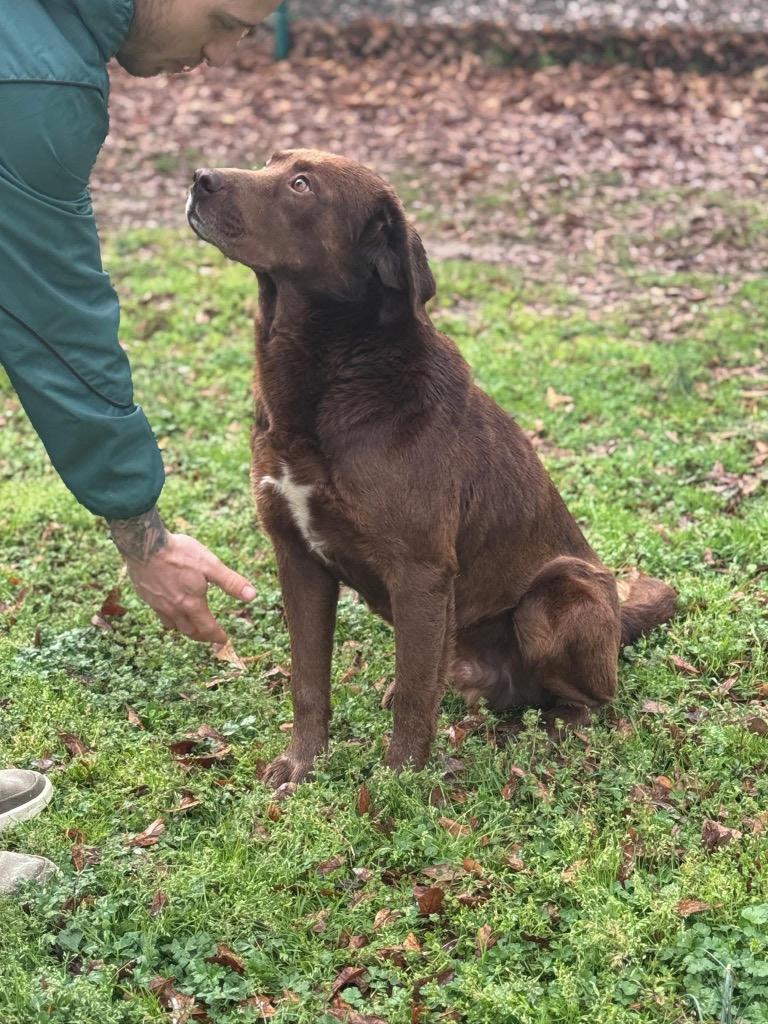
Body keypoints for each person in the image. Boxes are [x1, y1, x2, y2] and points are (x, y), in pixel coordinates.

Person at [0, 0, 281, 892]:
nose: (222, 53)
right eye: (228, 21)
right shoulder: (32, 82)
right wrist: (141, 530)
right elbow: (53, 318)